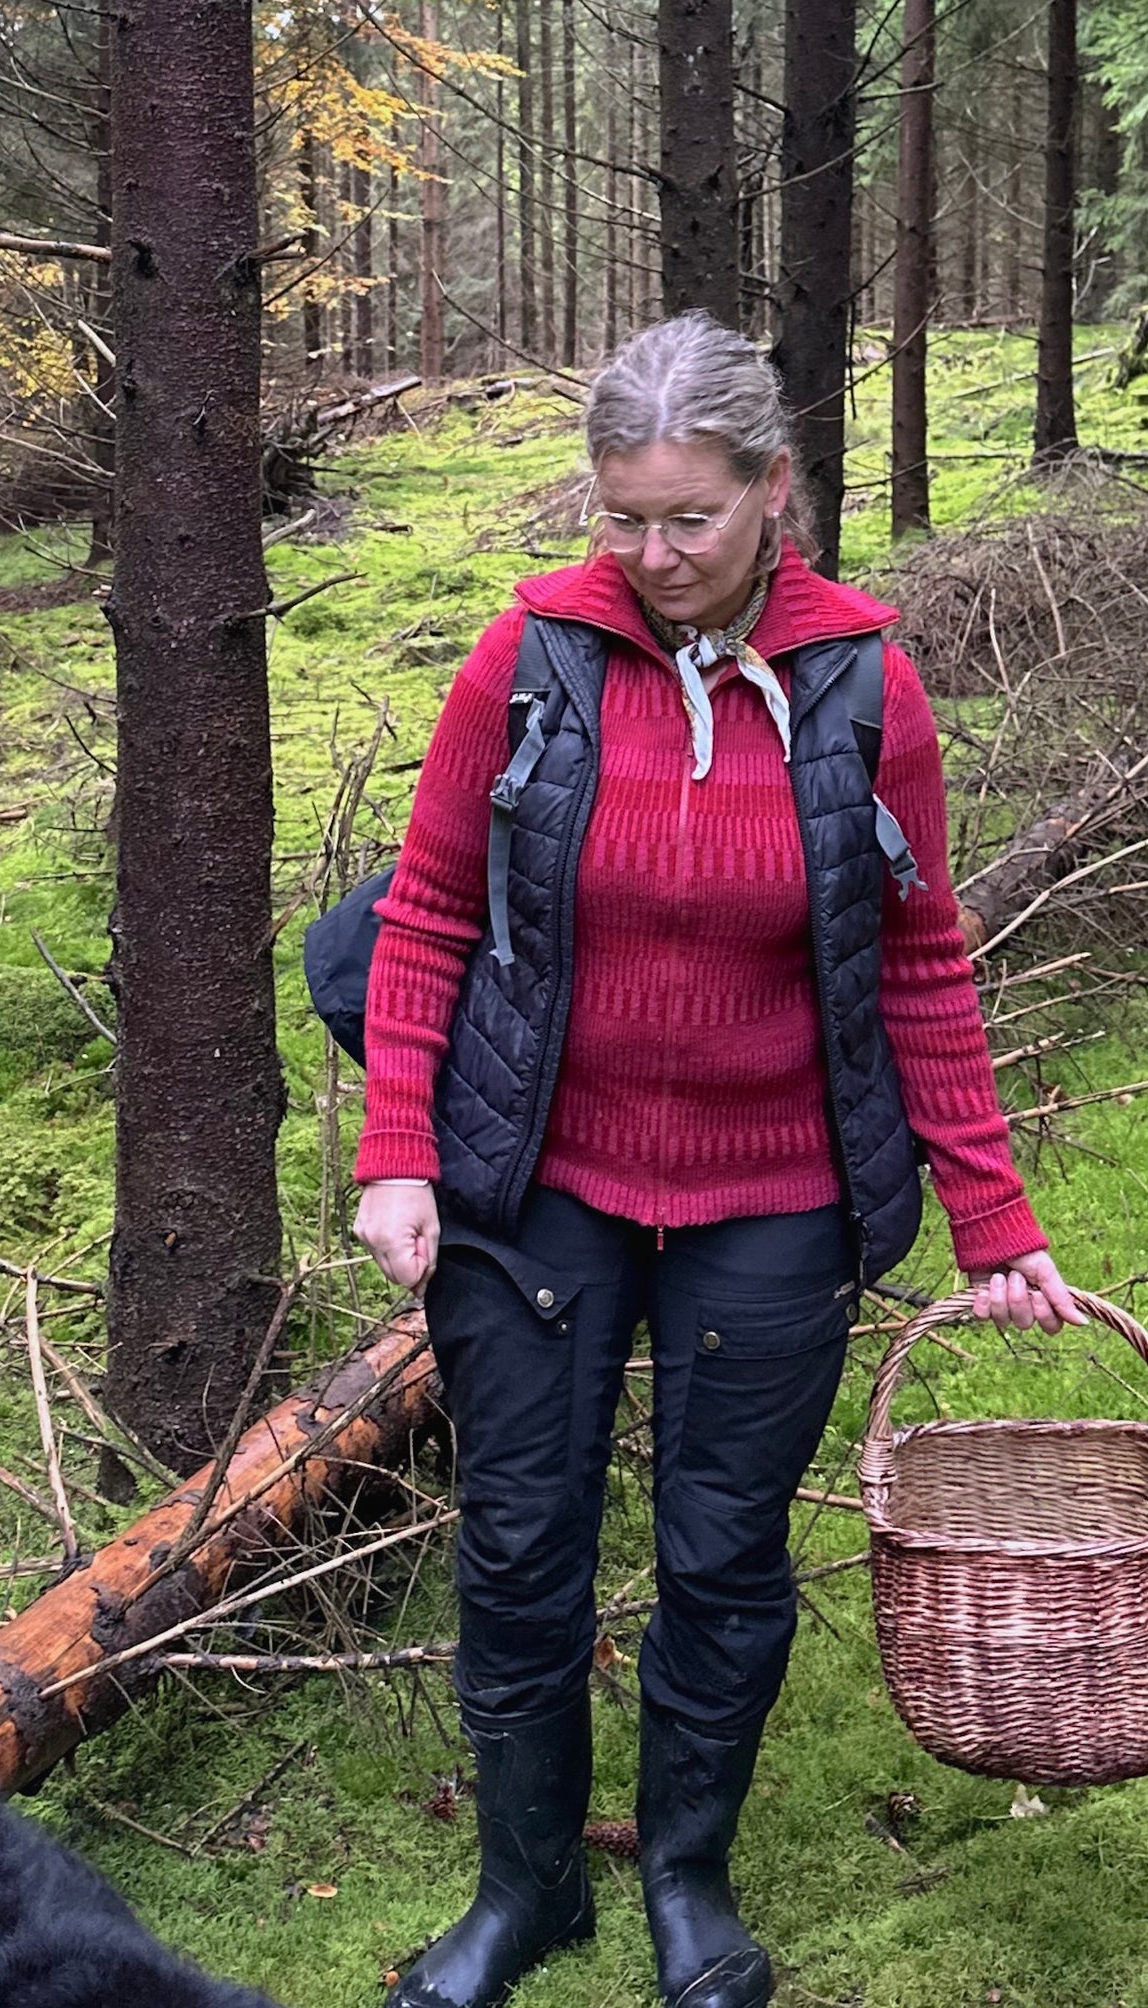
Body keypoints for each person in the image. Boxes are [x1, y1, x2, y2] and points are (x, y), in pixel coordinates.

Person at [354, 310, 1079, 2008]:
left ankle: (687, 1880)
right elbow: (432, 914)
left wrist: (994, 1212)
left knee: (722, 1551)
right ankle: (523, 1897)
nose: (655, 554)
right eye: (623, 516)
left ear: (771, 490)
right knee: (521, 1541)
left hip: (777, 1191)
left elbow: (918, 954)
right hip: (538, 1185)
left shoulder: (861, 680)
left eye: (691, 517)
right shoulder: (524, 658)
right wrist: (402, 1154)